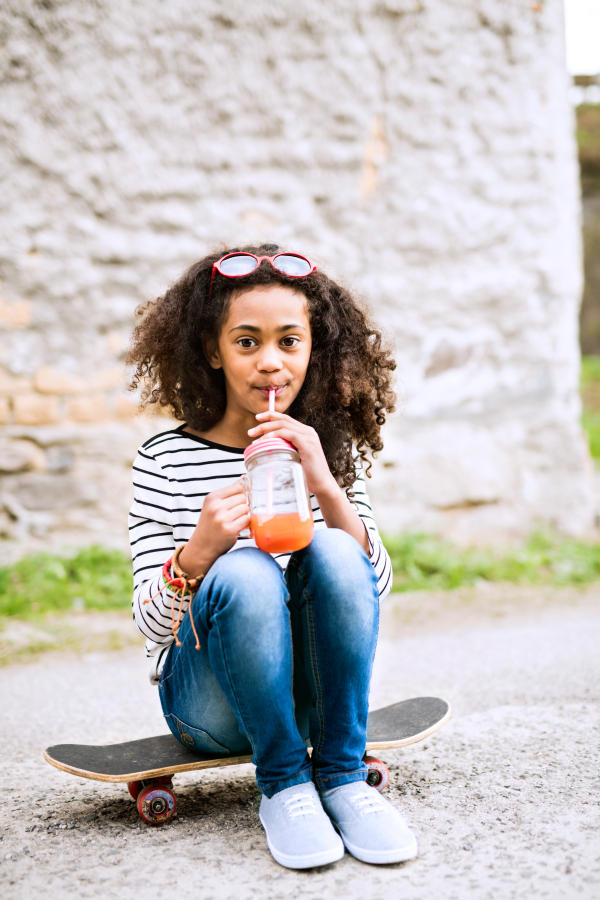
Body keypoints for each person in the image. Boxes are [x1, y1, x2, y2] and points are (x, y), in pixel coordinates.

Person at [126, 244, 418, 868]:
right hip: (212, 707)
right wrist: (196, 553)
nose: (271, 363)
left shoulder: (324, 449)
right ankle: (284, 785)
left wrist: (327, 487)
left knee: (337, 550)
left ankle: (341, 778)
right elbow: (149, 625)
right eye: (246, 342)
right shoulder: (164, 461)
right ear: (212, 351)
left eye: (289, 341)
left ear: (314, 350)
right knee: (246, 568)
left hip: (317, 701)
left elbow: (373, 586)